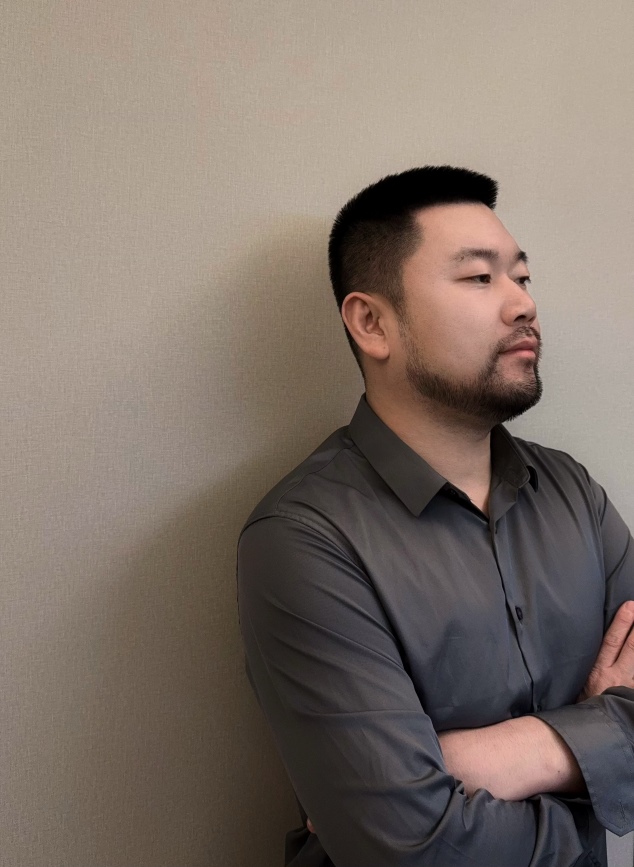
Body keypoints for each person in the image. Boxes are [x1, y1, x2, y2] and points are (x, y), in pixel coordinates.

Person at [237, 166, 634, 867]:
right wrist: (601, 750)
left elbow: (396, 809)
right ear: (372, 323)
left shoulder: (572, 492)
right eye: (480, 278)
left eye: (522, 276)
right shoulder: (303, 540)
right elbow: (409, 847)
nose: (522, 303)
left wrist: (473, 762)